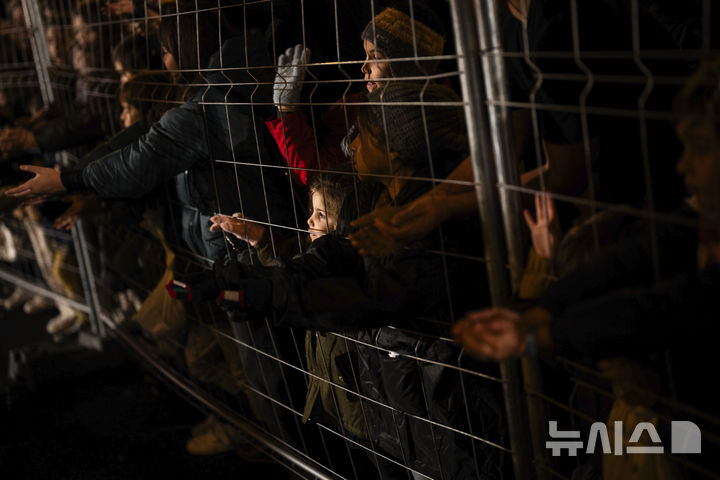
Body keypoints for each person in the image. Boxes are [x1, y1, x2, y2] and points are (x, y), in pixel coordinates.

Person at [173, 82, 506, 480]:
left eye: (363, 133)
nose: (351, 143)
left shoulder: (434, 225)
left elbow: (374, 296)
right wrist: (247, 279)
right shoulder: (389, 202)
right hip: (414, 411)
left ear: (396, 151)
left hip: (453, 419)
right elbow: (333, 255)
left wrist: (273, 294)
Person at [265, 2, 446, 186]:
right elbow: (321, 173)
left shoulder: (434, 122)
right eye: (366, 55)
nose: (363, 67)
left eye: (376, 57)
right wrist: (286, 110)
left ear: (406, 66)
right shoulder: (356, 109)